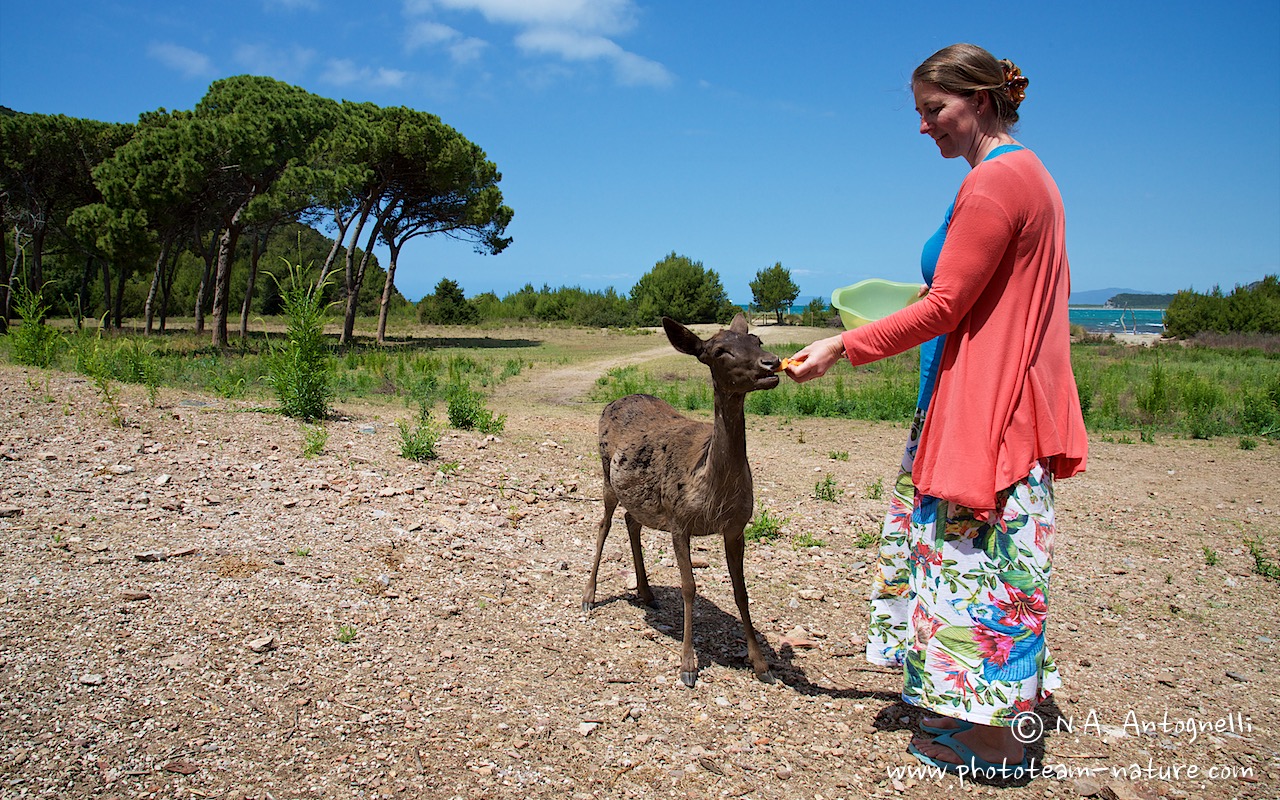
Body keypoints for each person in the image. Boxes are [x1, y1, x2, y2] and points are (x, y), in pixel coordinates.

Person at [787, 43, 1088, 778]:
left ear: (979, 101)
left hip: (990, 405)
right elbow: (968, 295)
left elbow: (948, 304)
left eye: (934, 110)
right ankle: (978, 710)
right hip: (1002, 393)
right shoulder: (1030, 174)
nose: (924, 127)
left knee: (980, 569)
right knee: (991, 567)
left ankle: (997, 741)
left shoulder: (993, 184)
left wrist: (841, 345)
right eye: (921, 112)